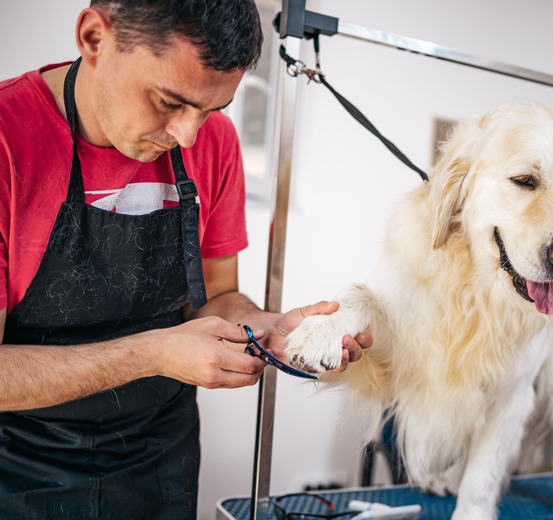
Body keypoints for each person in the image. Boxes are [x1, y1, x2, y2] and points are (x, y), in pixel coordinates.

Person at [0, 1, 371, 518]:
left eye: (210, 110)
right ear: (93, 38)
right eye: (168, 101)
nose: (188, 134)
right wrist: (152, 354)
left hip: (160, 459)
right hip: (19, 467)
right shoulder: (8, 141)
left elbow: (217, 297)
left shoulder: (214, 143)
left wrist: (270, 329)